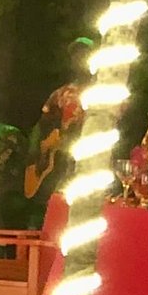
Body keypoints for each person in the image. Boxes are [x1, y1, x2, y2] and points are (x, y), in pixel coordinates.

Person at [24, 36, 97, 204]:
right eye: (76, 55)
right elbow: (42, 126)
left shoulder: (106, 90)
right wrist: (39, 153)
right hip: (64, 161)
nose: (79, 59)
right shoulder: (62, 93)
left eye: (85, 54)